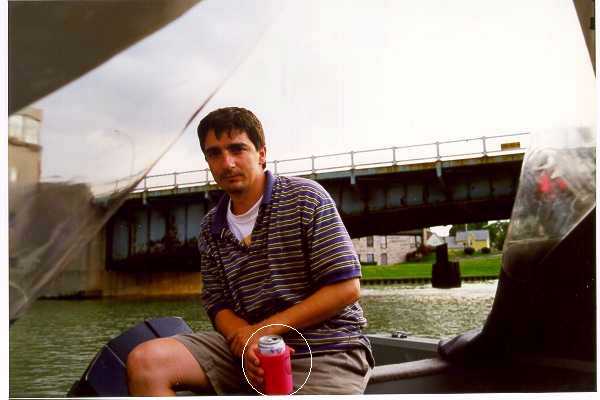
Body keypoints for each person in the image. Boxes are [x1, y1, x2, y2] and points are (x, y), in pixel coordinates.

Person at [126, 107, 374, 395]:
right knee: (146, 362)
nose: (227, 162)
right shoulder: (210, 228)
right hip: (248, 353)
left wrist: (261, 331)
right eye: (214, 153)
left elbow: (346, 288)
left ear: (262, 153)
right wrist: (245, 342)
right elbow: (217, 303)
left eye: (237, 148)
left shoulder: (307, 198)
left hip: (327, 350)